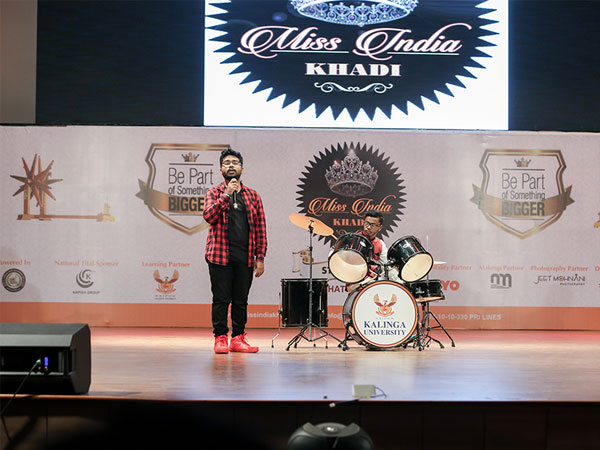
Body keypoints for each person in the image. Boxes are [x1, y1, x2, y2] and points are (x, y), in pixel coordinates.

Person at [203, 148, 267, 354]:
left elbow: (260, 228)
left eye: (235, 162)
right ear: (221, 169)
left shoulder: (253, 196)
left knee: (241, 301)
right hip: (219, 255)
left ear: (242, 169)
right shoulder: (214, 193)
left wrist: (260, 257)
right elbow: (209, 216)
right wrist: (227, 195)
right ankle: (220, 338)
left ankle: (238, 338)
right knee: (221, 300)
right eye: (226, 163)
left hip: (245, 256)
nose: (231, 166)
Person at [347, 210, 399, 292]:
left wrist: (399, 282)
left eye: (373, 225)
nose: (368, 227)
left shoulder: (380, 244)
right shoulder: (353, 240)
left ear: (380, 227)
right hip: (356, 284)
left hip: (373, 285)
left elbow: (385, 267)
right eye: (366, 223)